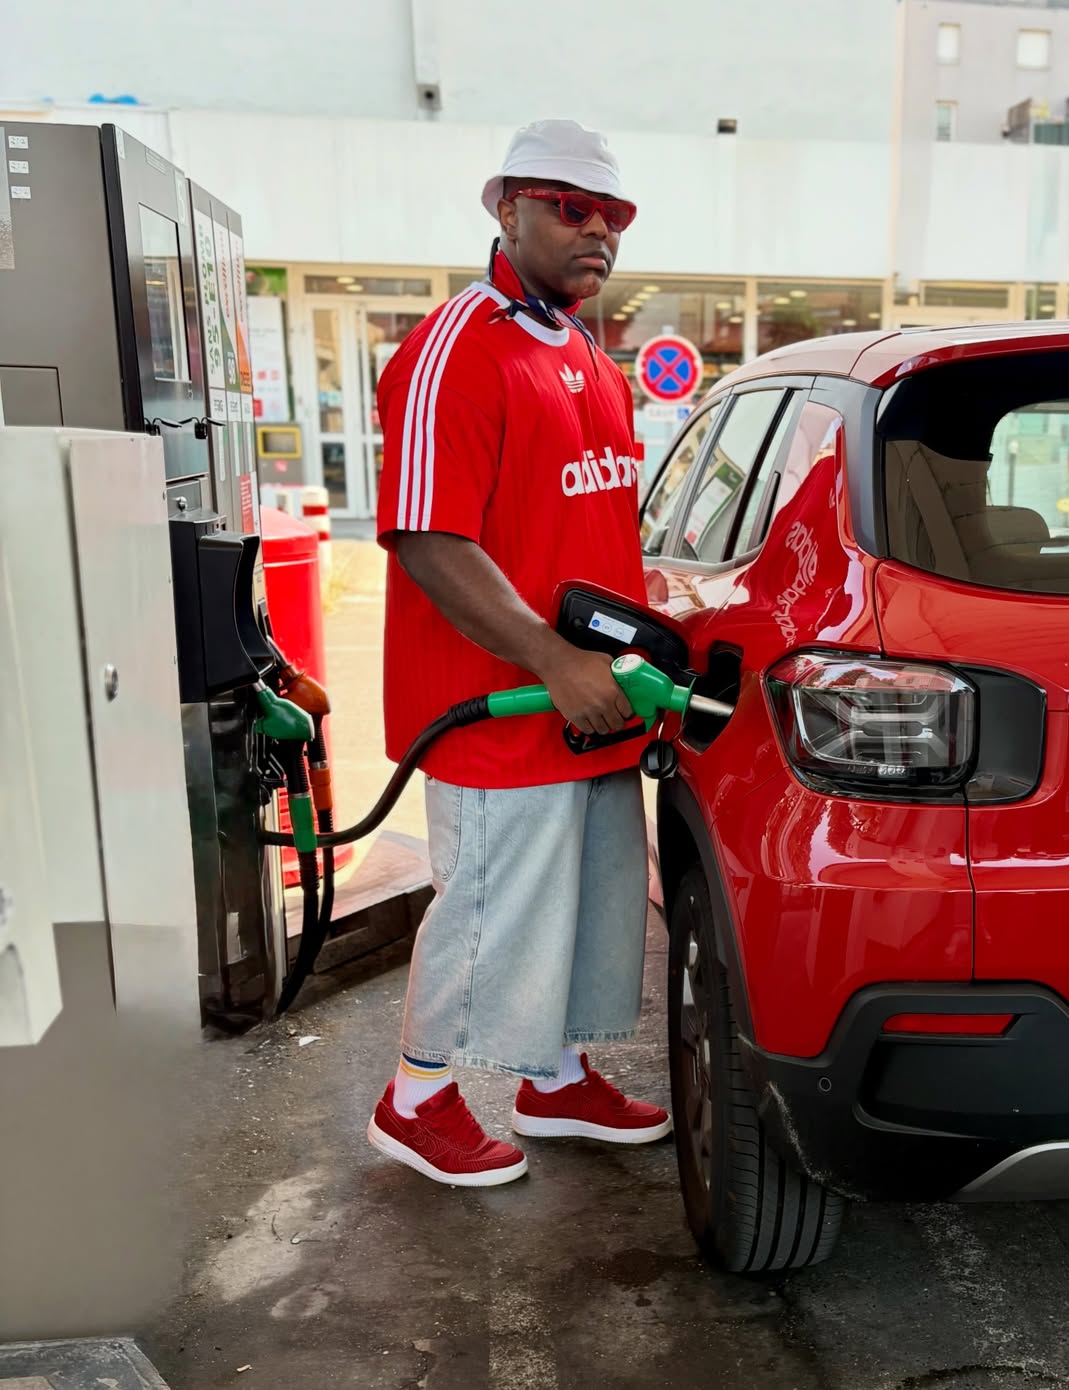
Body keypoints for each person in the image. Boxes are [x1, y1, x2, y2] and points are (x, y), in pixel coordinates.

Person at [367, 118, 671, 1187]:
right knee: (489, 910)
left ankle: (557, 1079)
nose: (598, 232)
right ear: (508, 209)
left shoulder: (586, 356)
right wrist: (551, 660)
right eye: (571, 209)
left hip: (590, 705)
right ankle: (414, 1100)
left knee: (590, 908)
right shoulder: (456, 350)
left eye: (613, 215)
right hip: (499, 705)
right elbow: (426, 537)